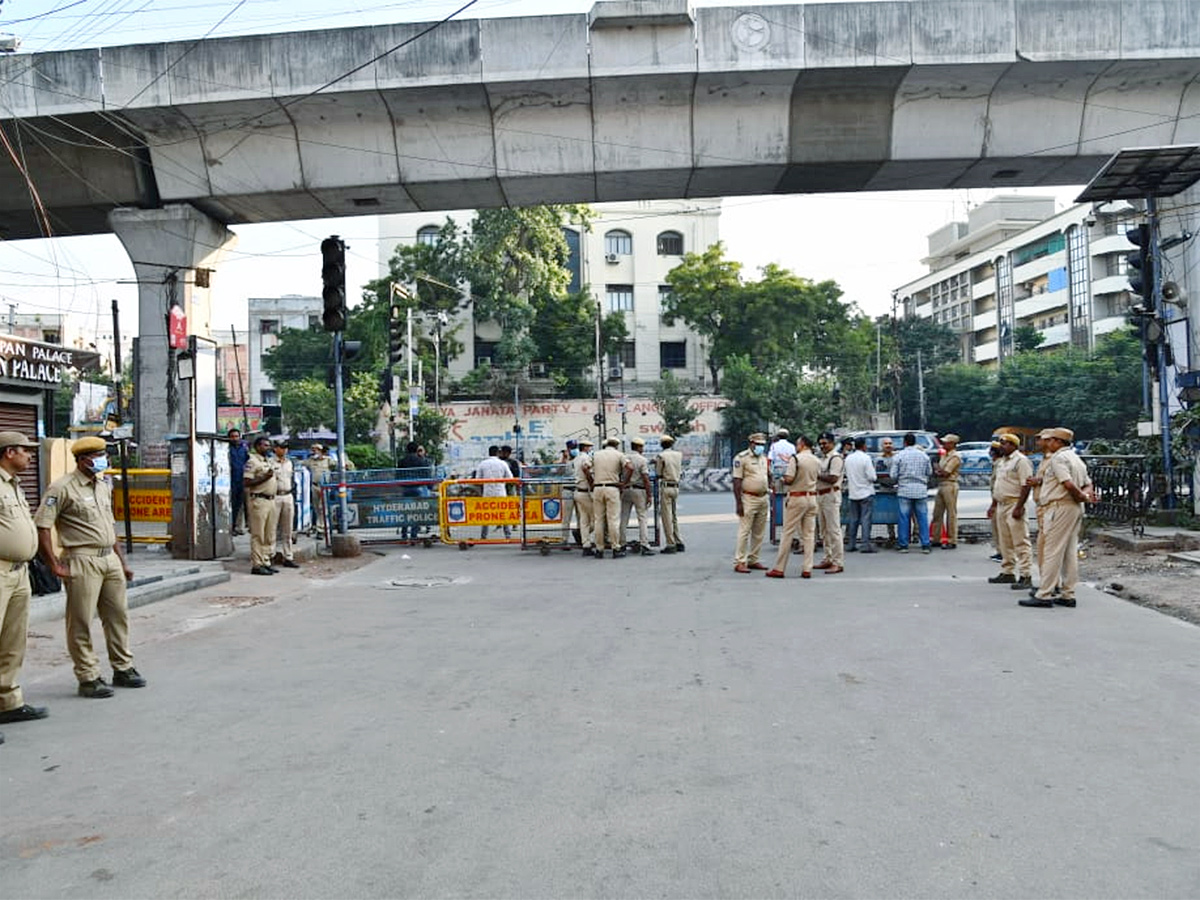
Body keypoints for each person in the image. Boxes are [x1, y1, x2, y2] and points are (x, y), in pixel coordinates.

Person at [35, 436, 144, 698]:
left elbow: (110, 526)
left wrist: (122, 562)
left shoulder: (104, 486)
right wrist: (53, 564)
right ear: (84, 460)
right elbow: (42, 527)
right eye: (98, 456)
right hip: (81, 558)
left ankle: (123, 667)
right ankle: (88, 676)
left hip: (109, 558)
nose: (103, 460)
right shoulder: (62, 488)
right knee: (81, 619)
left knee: (118, 615)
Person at [0, 432, 49, 733]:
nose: (30, 456)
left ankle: (8, 703)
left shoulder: (14, 486)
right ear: (8, 453)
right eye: (25, 451)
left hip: (19, 573)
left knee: (13, 642)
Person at [1020, 427, 1094, 609]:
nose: (1047, 443)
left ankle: (1045, 593)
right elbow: (1088, 484)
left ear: (1058, 442)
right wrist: (1083, 497)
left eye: (1050, 440)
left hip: (1059, 507)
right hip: (1073, 508)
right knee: (1069, 552)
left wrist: (1079, 496)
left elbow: (1067, 483)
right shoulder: (1075, 458)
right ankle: (1068, 593)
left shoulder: (1058, 458)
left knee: (1052, 550)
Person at [766, 434, 820, 578]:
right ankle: (807, 568)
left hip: (797, 498)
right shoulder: (816, 460)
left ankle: (779, 567)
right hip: (812, 498)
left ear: (802, 444)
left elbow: (789, 479)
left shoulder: (795, 459)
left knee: (787, 532)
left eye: (797, 444)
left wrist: (782, 478)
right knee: (809, 535)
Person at [987, 433, 1033, 586]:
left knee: (1020, 540)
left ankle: (1026, 574)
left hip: (1014, 502)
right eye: (1001, 443)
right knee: (1004, 540)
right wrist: (994, 504)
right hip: (1001, 503)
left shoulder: (1021, 461)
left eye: (1005, 443)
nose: (1002, 446)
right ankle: (1008, 571)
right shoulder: (1002, 462)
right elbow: (998, 485)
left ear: (1014, 445)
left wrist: (1019, 507)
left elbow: (1025, 485)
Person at [586, 437, 632, 559]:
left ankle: (599, 549)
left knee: (598, 520)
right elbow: (630, 467)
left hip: (597, 488)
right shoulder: (619, 455)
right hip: (613, 488)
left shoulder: (595, 455)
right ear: (616, 445)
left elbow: (585, 468)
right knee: (613, 520)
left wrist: (592, 482)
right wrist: (624, 483)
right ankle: (615, 548)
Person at [732, 432, 771, 573]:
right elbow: (737, 481)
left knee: (759, 532)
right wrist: (739, 503)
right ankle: (740, 561)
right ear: (751, 444)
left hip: (763, 497)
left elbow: (768, 475)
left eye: (763, 445)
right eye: (758, 444)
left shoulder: (764, 458)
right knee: (744, 531)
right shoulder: (741, 458)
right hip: (749, 498)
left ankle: (754, 559)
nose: (761, 447)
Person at [889, 432, 932, 553]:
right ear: (915, 442)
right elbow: (929, 472)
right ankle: (925, 544)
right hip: (921, 490)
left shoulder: (899, 456)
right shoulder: (924, 456)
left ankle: (903, 544)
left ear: (905, 442)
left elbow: (893, 475)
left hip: (904, 490)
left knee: (904, 518)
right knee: (922, 518)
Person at [244, 435, 280, 576]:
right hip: (259, 500)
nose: (268, 447)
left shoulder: (268, 461)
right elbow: (247, 482)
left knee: (269, 534)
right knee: (258, 534)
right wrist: (265, 477)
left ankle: (266, 561)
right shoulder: (252, 461)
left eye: (268, 445)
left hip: (271, 500)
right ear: (258, 446)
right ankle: (257, 564)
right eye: (265, 445)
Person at [814, 431, 845, 573]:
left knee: (833, 530)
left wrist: (817, 475)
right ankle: (828, 558)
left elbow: (833, 478)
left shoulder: (835, 458)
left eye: (825, 443)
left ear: (832, 443)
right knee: (824, 531)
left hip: (831, 495)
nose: (823, 446)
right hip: (820, 495)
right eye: (820, 444)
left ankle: (838, 562)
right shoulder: (823, 458)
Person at [620, 437, 655, 555]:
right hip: (639, 490)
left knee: (624, 518)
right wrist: (649, 495)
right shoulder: (642, 460)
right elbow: (645, 478)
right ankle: (644, 544)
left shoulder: (624, 458)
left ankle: (622, 544)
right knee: (642, 517)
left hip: (625, 489)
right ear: (639, 447)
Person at [843, 436, 877, 553]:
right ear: (863, 445)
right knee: (866, 519)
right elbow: (872, 477)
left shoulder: (848, 459)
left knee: (853, 519)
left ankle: (851, 543)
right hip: (866, 492)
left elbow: (845, 474)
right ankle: (865, 544)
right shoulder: (866, 458)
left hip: (853, 493)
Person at [475, 445, 513, 540]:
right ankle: (507, 535)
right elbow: (510, 478)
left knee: (486, 515)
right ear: (498, 453)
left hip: (487, 493)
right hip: (500, 493)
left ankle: (484, 536)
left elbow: (477, 479)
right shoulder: (503, 464)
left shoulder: (482, 464)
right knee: (503, 515)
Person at [931, 433, 962, 548]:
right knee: (937, 513)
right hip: (942, 484)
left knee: (951, 513)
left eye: (946, 442)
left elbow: (946, 472)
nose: (943, 444)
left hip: (950, 484)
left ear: (952, 444)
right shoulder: (945, 455)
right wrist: (939, 471)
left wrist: (938, 470)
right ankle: (936, 538)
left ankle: (952, 540)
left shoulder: (955, 457)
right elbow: (940, 472)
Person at [271, 441, 299, 568]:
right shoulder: (270, 462)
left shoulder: (289, 463)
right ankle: (270, 556)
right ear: (276, 449)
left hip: (287, 495)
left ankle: (288, 556)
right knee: (272, 528)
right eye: (282, 447)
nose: (284, 450)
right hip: (275, 496)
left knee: (287, 529)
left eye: (286, 447)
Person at [655, 435, 684, 553]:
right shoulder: (678, 455)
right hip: (676, 487)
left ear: (662, 445)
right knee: (674, 516)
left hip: (666, 486)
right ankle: (679, 541)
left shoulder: (661, 456)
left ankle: (670, 543)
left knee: (666, 517)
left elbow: (658, 473)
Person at [398, 440, 430, 543]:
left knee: (405, 511)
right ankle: (413, 535)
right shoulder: (421, 461)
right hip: (418, 488)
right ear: (416, 450)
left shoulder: (402, 461)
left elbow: (398, 475)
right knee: (417, 512)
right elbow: (426, 475)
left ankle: (404, 534)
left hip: (406, 488)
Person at [302, 443, 332, 536]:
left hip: (324, 486)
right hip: (314, 486)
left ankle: (322, 529)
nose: (314, 451)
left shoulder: (328, 460)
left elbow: (341, 464)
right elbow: (300, 464)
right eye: (313, 449)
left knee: (322, 507)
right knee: (316, 508)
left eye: (317, 450)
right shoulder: (310, 461)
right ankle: (319, 526)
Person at [573, 438, 597, 555]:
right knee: (595, 518)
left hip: (578, 491)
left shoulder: (576, 458)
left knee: (584, 520)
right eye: (589, 447)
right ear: (585, 448)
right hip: (585, 491)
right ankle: (596, 542)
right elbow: (586, 469)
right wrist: (592, 482)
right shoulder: (586, 458)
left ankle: (585, 544)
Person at [227, 427, 249, 535]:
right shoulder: (226, 449)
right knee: (229, 505)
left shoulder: (243, 449)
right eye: (232, 437)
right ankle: (230, 527)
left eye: (236, 436)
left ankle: (236, 526)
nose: (235, 439)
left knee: (239, 505)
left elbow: (248, 462)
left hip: (241, 481)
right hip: (229, 481)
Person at [560, 440, 580, 546]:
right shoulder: (565, 460)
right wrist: (564, 458)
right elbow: (559, 472)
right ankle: (565, 540)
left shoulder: (580, 458)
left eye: (575, 447)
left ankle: (581, 538)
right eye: (571, 448)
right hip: (567, 490)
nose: (573, 450)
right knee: (566, 517)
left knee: (581, 516)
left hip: (578, 489)